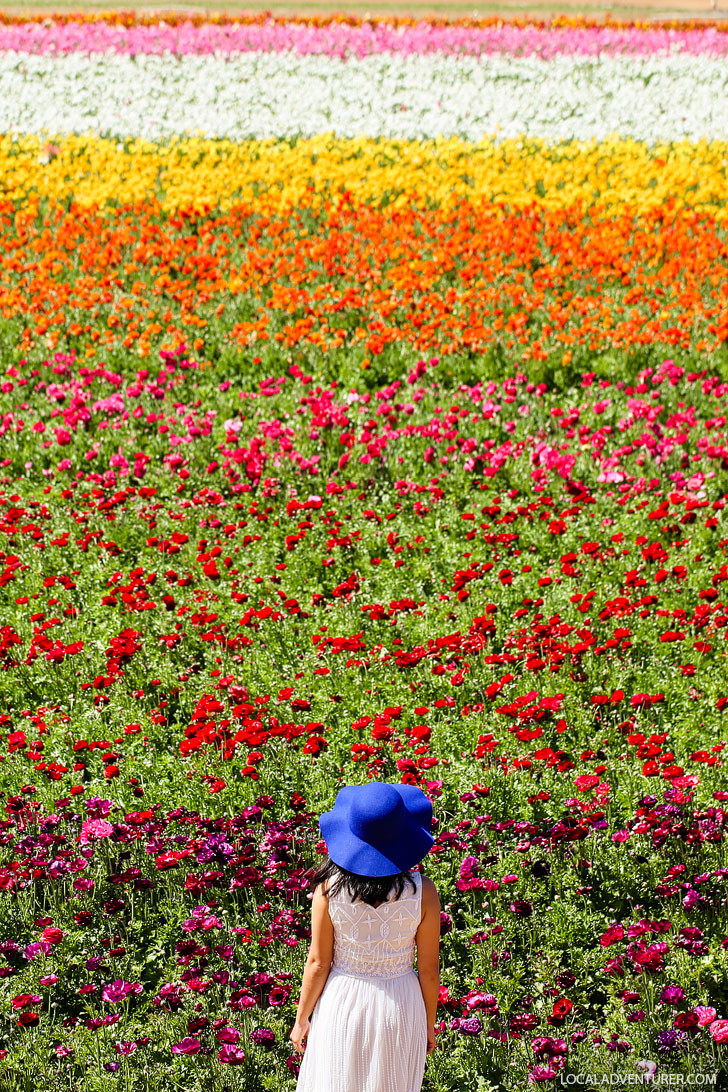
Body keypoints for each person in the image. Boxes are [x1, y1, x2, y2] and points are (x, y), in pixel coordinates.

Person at [290, 781, 441, 1092]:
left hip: (342, 1000)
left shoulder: (328, 890)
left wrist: (301, 1018)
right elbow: (428, 969)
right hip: (400, 1003)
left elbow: (318, 963)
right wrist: (428, 1023)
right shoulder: (423, 891)